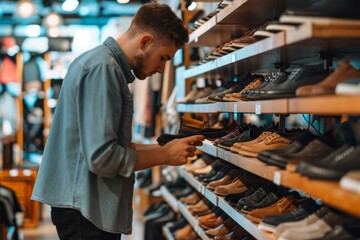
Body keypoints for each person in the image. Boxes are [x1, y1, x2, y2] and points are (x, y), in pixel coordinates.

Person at [31, 2, 204, 239]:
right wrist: (164, 155)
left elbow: (109, 146)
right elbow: (103, 158)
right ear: (144, 42)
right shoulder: (103, 69)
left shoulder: (102, 65)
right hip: (85, 209)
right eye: (163, 58)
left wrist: (165, 148)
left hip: (84, 204)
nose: (162, 70)